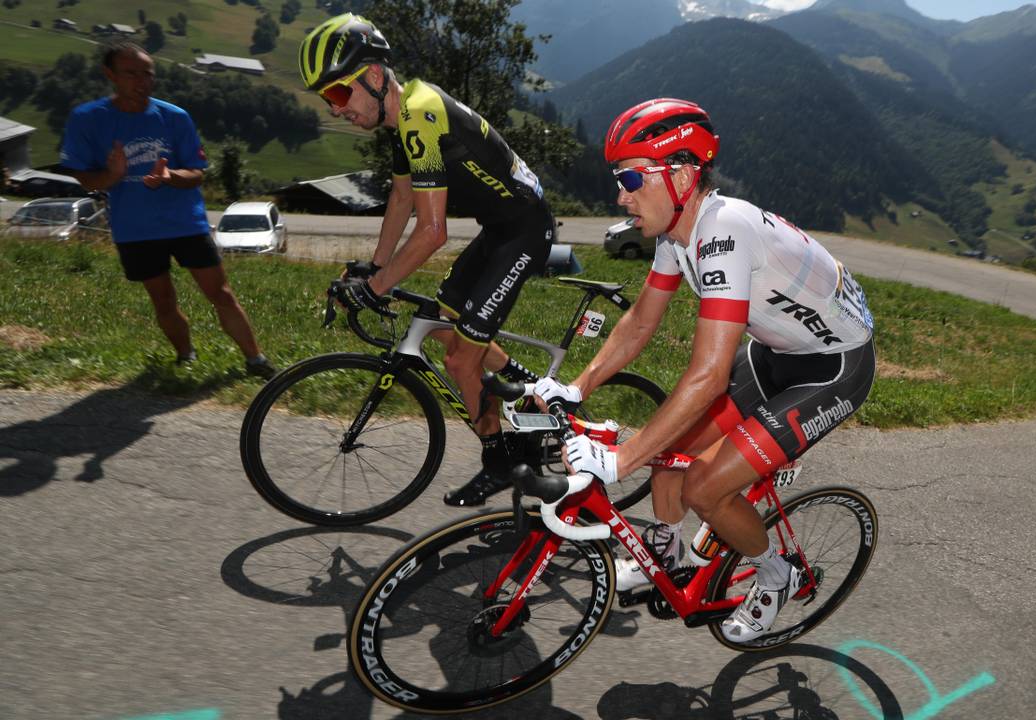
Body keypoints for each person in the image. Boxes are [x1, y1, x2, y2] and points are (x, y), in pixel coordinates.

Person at [535, 98, 876, 642]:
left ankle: (776, 574)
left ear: (683, 175)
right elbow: (640, 324)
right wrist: (575, 387)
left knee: (704, 487)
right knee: (668, 454)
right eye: (617, 178)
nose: (619, 194)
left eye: (630, 177)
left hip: (834, 367)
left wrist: (620, 459)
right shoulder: (678, 232)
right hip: (775, 354)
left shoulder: (725, 230)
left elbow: (708, 377)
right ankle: (670, 552)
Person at [299, 14, 556, 506]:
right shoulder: (402, 118)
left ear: (374, 77)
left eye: (337, 94)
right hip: (499, 230)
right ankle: (532, 389)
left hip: (524, 231)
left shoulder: (420, 112)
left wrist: (377, 289)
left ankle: (500, 460)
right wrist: (375, 269)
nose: (336, 111)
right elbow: (400, 199)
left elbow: (432, 232)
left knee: (460, 358)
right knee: (444, 330)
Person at [60, 43, 277, 380]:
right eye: (131, 73)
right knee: (163, 301)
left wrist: (169, 176)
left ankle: (256, 360)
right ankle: (186, 356)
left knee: (220, 293)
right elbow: (83, 175)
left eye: (147, 73)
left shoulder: (174, 117)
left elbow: (197, 173)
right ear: (110, 75)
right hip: (135, 229)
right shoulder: (88, 119)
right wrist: (111, 177)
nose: (142, 80)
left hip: (185, 223)